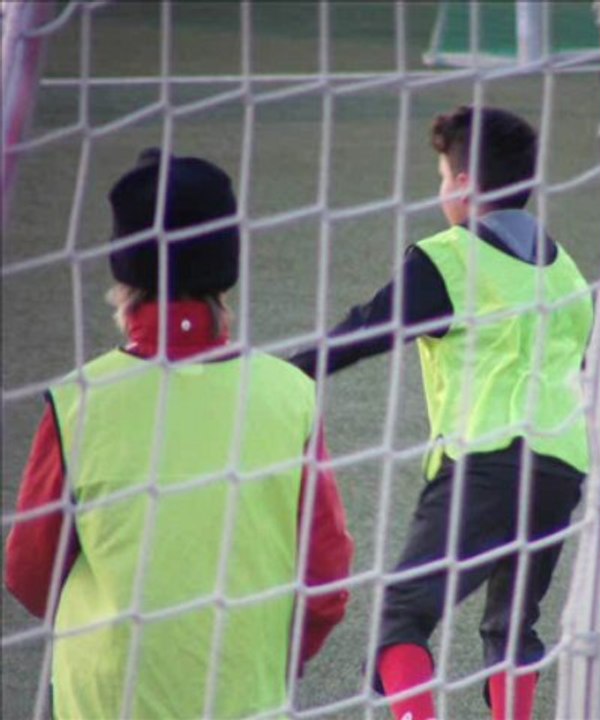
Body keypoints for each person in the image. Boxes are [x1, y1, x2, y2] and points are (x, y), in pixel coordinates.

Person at [4, 149, 354, 719]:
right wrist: (278, 654)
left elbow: (29, 569)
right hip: (245, 695)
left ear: (125, 272)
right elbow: (326, 577)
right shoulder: (289, 394)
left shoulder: (77, 399)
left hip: (104, 696)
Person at [291, 106, 593, 720]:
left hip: (485, 461)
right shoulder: (569, 273)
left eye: (441, 176)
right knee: (512, 627)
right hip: (562, 469)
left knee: (402, 617)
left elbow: (367, 330)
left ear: (463, 185)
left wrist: (287, 371)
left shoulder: (449, 259)